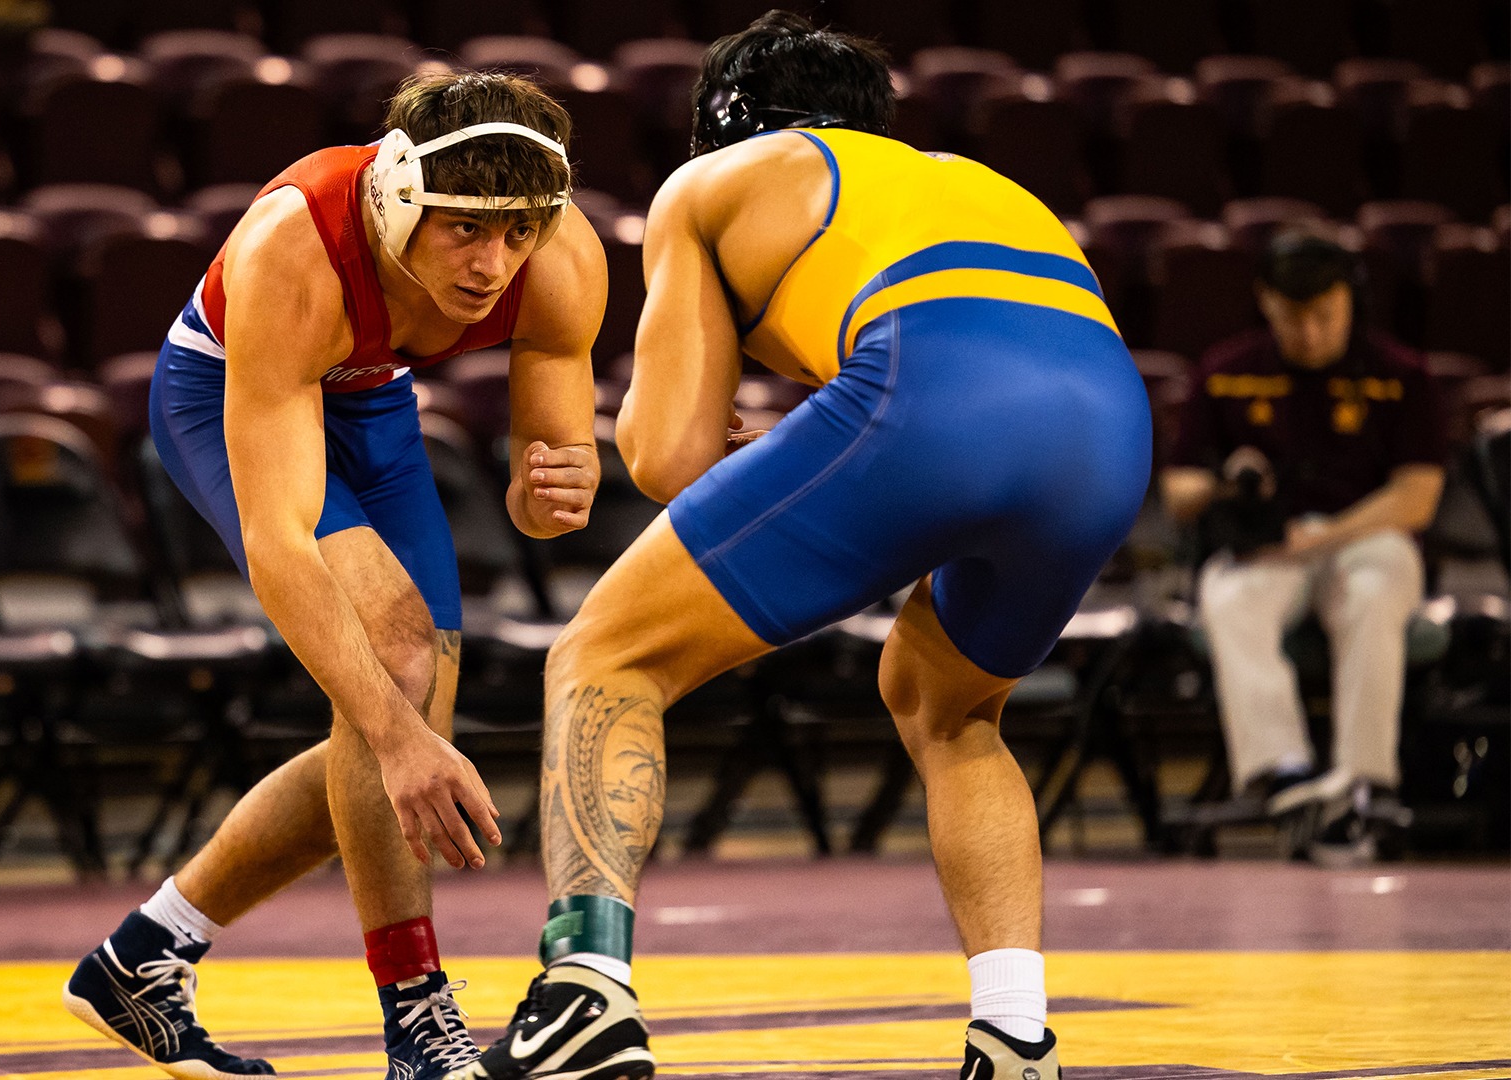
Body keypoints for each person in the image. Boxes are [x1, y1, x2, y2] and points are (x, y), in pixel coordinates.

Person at [450, 12, 1152, 1080]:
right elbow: (960, 365)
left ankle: (582, 992)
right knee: (946, 702)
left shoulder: (719, 182)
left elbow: (665, 458)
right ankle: (1014, 1035)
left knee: (605, 655)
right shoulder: (970, 177)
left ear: (719, 124)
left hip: (931, 386)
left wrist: (699, 418)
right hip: (1109, 425)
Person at [64, 72, 608, 1080]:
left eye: (518, 233)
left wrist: (557, 488)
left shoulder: (564, 258)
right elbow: (280, 541)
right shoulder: (295, 245)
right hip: (232, 382)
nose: (494, 267)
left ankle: (144, 956)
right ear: (399, 194)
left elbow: (538, 507)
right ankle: (415, 1016)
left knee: (402, 727)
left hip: (370, 395)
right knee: (397, 687)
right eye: (465, 233)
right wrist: (397, 740)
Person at [1161, 230, 1445, 859]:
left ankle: (1360, 780)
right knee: (1229, 595)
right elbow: (1178, 490)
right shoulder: (1227, 371)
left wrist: (1326, 536)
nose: (1311, 333)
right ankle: (1283, 772)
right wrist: (1226, 482)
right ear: (1265, 301)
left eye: (1326, 316)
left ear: (1351, 301)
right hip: (1268, 547)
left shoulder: (1402, 375)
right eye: (1295, 318)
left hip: (1365, 538)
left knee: (1374, 591)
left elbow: (1417, 496)